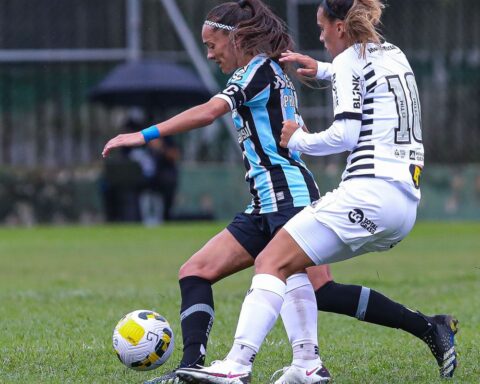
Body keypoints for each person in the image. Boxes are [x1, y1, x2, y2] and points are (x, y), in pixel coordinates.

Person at [176, 1, 458, 383]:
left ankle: (236, 366)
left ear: (340, 26)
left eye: (322, 27)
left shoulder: (343, 65)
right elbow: (362, 74)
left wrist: (299, 140)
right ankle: (308, 364)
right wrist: (322, 68)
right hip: (404, 202)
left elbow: (344, 135)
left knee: (272, 261)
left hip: (367, 191)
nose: (321, 36)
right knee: (299, 271)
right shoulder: (391, 53)